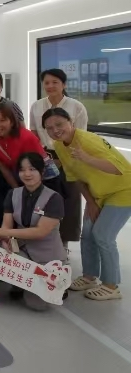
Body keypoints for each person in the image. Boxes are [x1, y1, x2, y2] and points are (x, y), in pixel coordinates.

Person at [44, 108, 131, 301]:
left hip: (124, 190)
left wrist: (86, 158)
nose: (55, 130)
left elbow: (118, 169)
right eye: (49, 128)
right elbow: (75, 177)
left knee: (103, 235)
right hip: (99, 194)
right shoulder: (59, 145)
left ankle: (111, 286)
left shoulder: (87, 141)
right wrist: (90, 202)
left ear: (71, 122)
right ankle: (89, 276)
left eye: (59, 124)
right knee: (88, 234)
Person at [0, 153, 66, 311]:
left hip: (46, 256)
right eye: (22, 170)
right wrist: (5, 241)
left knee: (37, 305)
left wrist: (7, 233)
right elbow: (6, 226)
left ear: (42, 172)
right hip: (22, 250)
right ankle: (21, 283)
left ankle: (54, 283)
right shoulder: (13, 194)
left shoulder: (54, 198)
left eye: (32, 169)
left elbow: (40, 232)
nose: (27, 174)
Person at [30, 69, 88, 253]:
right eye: (46, 83)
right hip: (44, 156)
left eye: (55, 82)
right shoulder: (37, 106)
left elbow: (80, 137)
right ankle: (45, 237)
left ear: (64, 84)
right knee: (45, 199)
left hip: (70, 155)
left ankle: (64, 242)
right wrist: (44, 160)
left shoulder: (76, 106)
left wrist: (62, 160)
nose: (50, 86)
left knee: (70, 199)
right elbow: (34, 134)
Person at [0, 103, 58, 192]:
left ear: (12, 122)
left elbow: (38, 168)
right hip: (22, 179)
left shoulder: (26, 137)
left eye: (2, 120)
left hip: (46, 180)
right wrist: (17, 191)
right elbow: (4, 170)